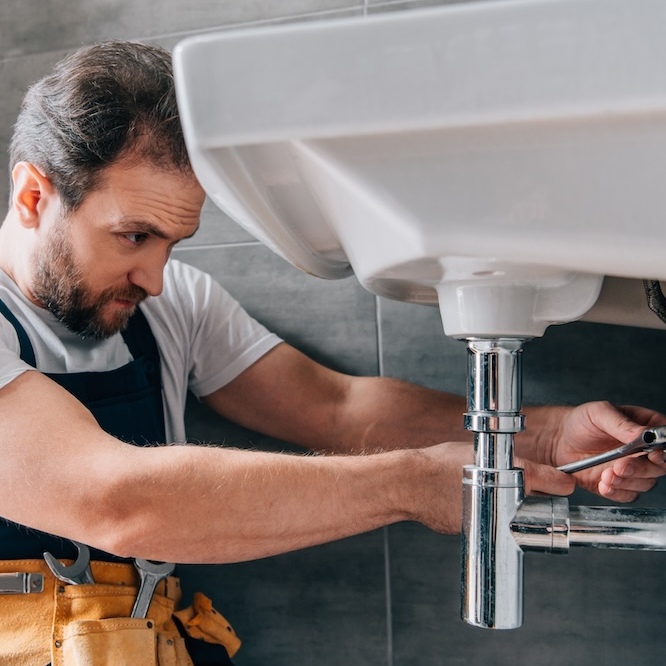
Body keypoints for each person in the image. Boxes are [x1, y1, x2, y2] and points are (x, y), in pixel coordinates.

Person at [0, 40, 664, 665]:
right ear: (34, 196)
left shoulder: (173, 304)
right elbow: (114, 503)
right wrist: (407, 484)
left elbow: (338, 409)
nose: (153, 277)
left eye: (172, 244)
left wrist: (548, 435)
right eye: (133, 236)